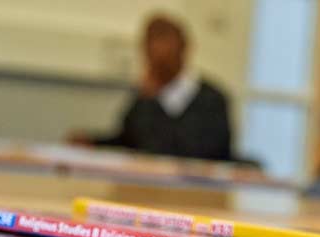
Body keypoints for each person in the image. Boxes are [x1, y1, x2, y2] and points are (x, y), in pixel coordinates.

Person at [74, 14, 232, 161]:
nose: (157, 54)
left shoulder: (212, 100)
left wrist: (154, 102)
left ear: (183, 49)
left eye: (165, 45)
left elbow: (188, 153)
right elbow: (129, 140)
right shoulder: (145, 97)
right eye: (150, 45)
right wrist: (93, 142)